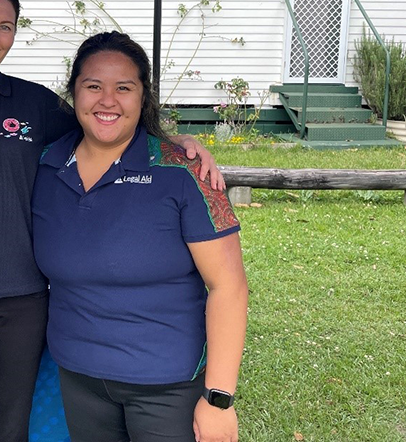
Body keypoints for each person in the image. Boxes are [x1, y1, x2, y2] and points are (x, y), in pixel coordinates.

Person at [0, 0, 225, 442]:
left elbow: (110, 122)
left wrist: (179, 143)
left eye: (5, 26)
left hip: (23, 297)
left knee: (10, 431)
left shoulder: (35, 103)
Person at [32, 31, 248, 442]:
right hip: (79, 378)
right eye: (93, 86)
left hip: (167, 386)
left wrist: (219, 398)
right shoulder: (45, 166)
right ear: (74, 92)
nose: (107, 100)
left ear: (143, 97)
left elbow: (230, 287)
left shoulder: (184, 175)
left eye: (124, 88)